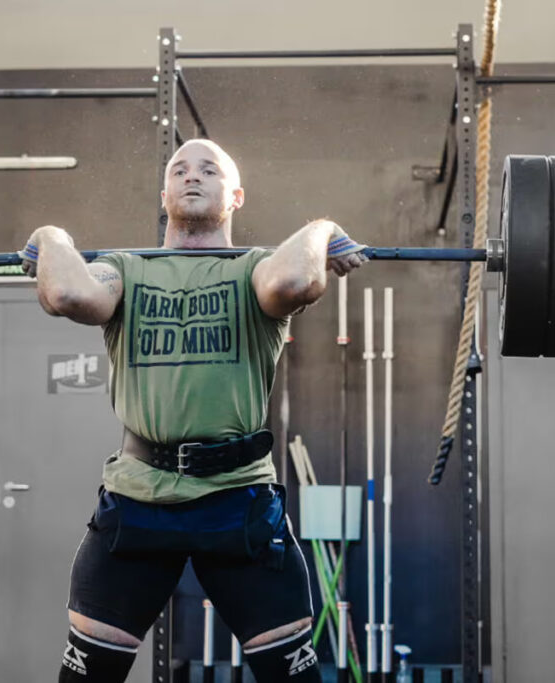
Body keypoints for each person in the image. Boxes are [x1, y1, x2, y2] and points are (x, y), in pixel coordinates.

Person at [22, 139, 367, 682]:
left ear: (236, 196)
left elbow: (296, 280)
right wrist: (50, 238)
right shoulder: (124, 271)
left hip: (239, 501)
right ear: (164, 194)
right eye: (179, 169)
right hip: (138, 498)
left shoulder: (254, 270)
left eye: (209, 169)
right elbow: (67, 294)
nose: (192, 176)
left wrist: (322, 229)